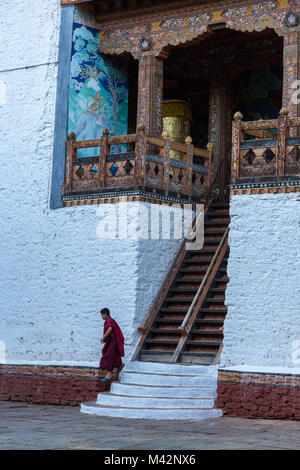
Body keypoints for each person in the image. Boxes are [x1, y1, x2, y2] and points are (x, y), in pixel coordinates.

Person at [99, 308, 124, 382]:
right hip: (112, 341)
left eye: (102, 315)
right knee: (114, 355)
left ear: (105, 314)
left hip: (114, 341)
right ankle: (119, 365)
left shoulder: (109, 320)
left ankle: (109, 375)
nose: (101, 317)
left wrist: (104, 337)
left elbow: (110, 328)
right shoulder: (109, 320)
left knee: (108, 356)